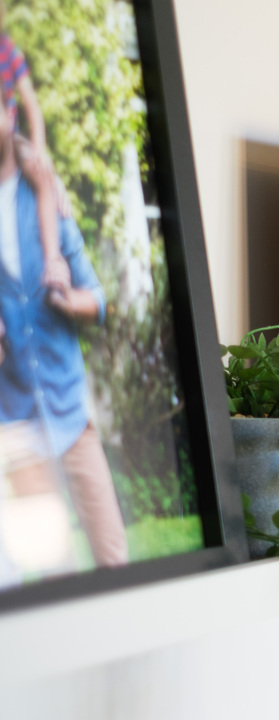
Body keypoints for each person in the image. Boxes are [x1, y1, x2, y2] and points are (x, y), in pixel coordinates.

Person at [0, 87, 127, 569]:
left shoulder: (46, 201)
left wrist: (65, 294)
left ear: (10, 114)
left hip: (70, 412)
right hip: (15, 420)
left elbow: (96, 299)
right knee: (55, 575)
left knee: (113, 557)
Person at [0, 2, 70, 292]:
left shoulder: (7, 49)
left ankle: (53, 262)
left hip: (11, 139)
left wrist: (39, 149)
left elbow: (31, 104)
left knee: (42, 177)